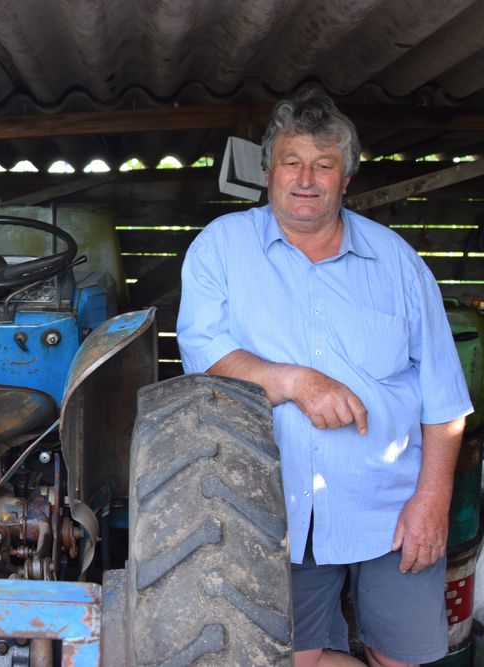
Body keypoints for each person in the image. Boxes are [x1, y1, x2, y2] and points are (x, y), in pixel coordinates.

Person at [177, 90, 472, 667]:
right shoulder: (221, 247)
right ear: (268, 172)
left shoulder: (398, 263)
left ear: (346, 178)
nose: (305, 179)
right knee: (293, 661)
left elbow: (445, 401)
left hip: (390, 509)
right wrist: (294, 380)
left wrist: (432, 501)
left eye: (323, 164)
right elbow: (203, 353)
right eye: (292, 162)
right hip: (274, 510)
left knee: (401, 659)